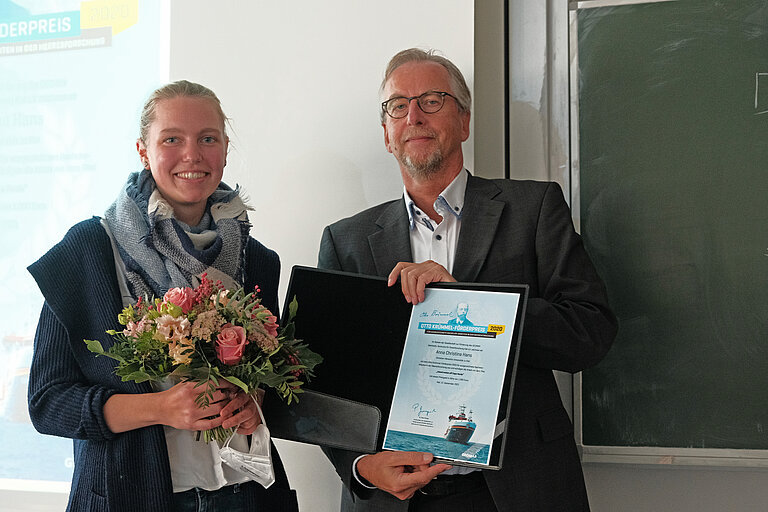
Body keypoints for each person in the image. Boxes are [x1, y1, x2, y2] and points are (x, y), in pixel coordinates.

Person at [318, 48, 617, 511]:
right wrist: (361, 466)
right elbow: (324, 383)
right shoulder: (347, 241)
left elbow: (589, 333)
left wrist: (472, 304)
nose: (414, 115)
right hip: (396, 498)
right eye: (399, 106)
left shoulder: (534, 210)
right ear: (386, 134)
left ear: (464, 122)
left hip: (519, 490)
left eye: (432, 101)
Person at [27, 81, 299, 511]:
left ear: (225, 150)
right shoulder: (89, 250)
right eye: (172, 139)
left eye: (208, 139)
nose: (192, 155)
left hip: (246, 494)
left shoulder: (256, 259)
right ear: (143, 150)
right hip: (133, 496)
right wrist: (161, 407)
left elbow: (278, 379)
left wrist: (256, 401)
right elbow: (48, 403)